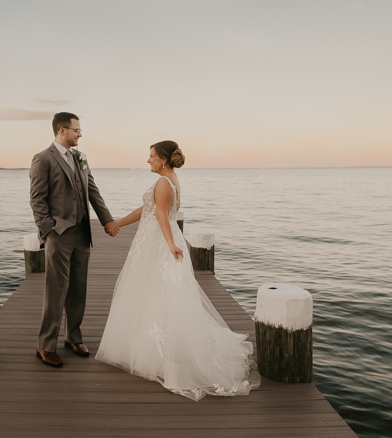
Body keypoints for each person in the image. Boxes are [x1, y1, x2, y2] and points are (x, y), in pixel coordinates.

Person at [95, 141, 260, 400]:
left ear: (163, 159)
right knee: (161, 295)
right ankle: (156, 347)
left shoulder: (163, 183)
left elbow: (161, 214)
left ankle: (159, 354)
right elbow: (148, 210)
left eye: (151, 156)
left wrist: (170, 244)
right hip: (158, 240)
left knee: (159, 294)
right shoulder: (170, 179)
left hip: (159, 243)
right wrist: (119, 223)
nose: (147, 160)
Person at [29, 112, 118, 368]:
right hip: (59, 234)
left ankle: (73, 337)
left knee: (79, 288)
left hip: (82, 232)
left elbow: (92, 191)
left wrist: (107, 220)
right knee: (56, 291)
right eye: (76, 130)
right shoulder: (43, 159)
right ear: (61, 131)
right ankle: (45, 345)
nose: (80, 134)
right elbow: (37, 199)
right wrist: (48, 230)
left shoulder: (80, 157)